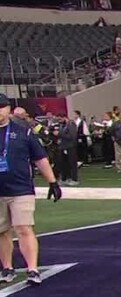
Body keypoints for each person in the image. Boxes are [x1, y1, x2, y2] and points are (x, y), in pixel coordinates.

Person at [0, 94, 63, 285]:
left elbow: (40, 158)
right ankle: (7, 267)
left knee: (23, 228)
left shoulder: (23, 132)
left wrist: (52, 182)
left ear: (9, 109)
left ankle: (32, 268)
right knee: (2, 231)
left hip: (21, 188)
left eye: (1, 107)